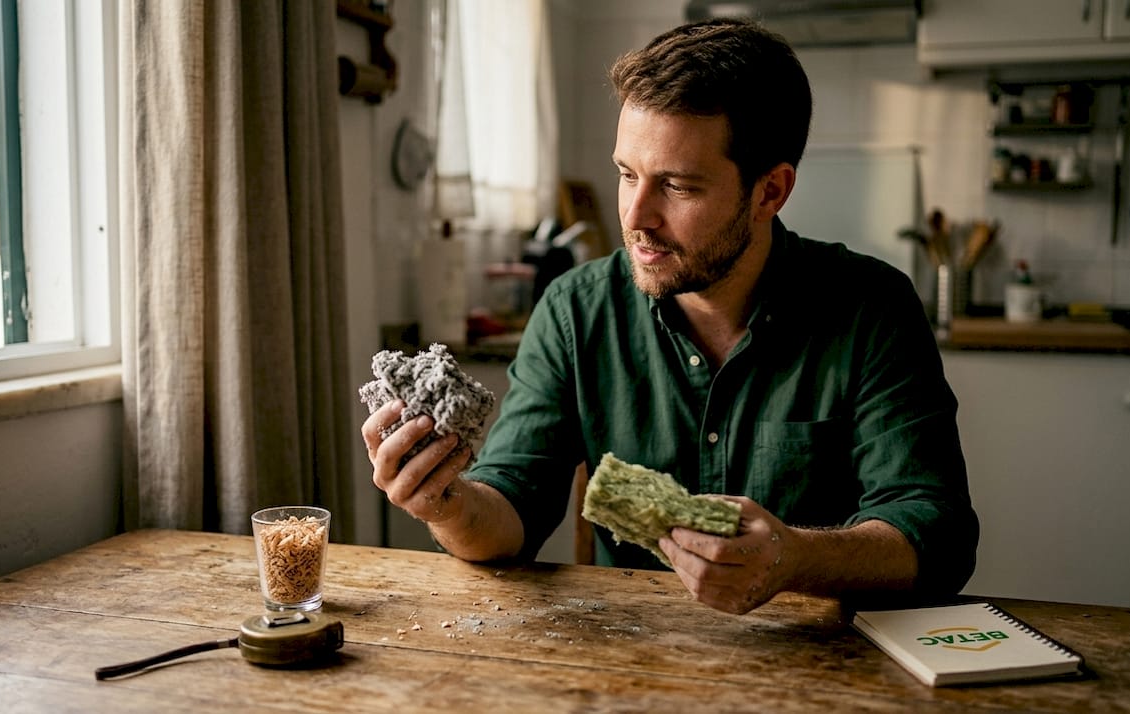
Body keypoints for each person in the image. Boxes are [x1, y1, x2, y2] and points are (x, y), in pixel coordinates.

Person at [363, 17, 978, 615]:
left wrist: (795, 557)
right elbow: (512, 508)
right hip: (629, 658)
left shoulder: (873, 308)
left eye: (678, 187)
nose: (635, 216)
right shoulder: (576, 310)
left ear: (770, 191)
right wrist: (445, 501)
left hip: (825, 659)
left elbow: (936, 532)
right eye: (627, 175)